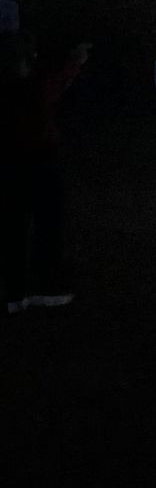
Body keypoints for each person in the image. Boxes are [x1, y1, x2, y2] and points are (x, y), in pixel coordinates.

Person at [1, 33, 88, 314]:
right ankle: (45, 286)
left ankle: (13, 292)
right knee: (47, 225)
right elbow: (58, 83)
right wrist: (76, 59)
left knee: (11, 227)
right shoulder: (32, 87)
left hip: (8, 164)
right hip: (39, 161)